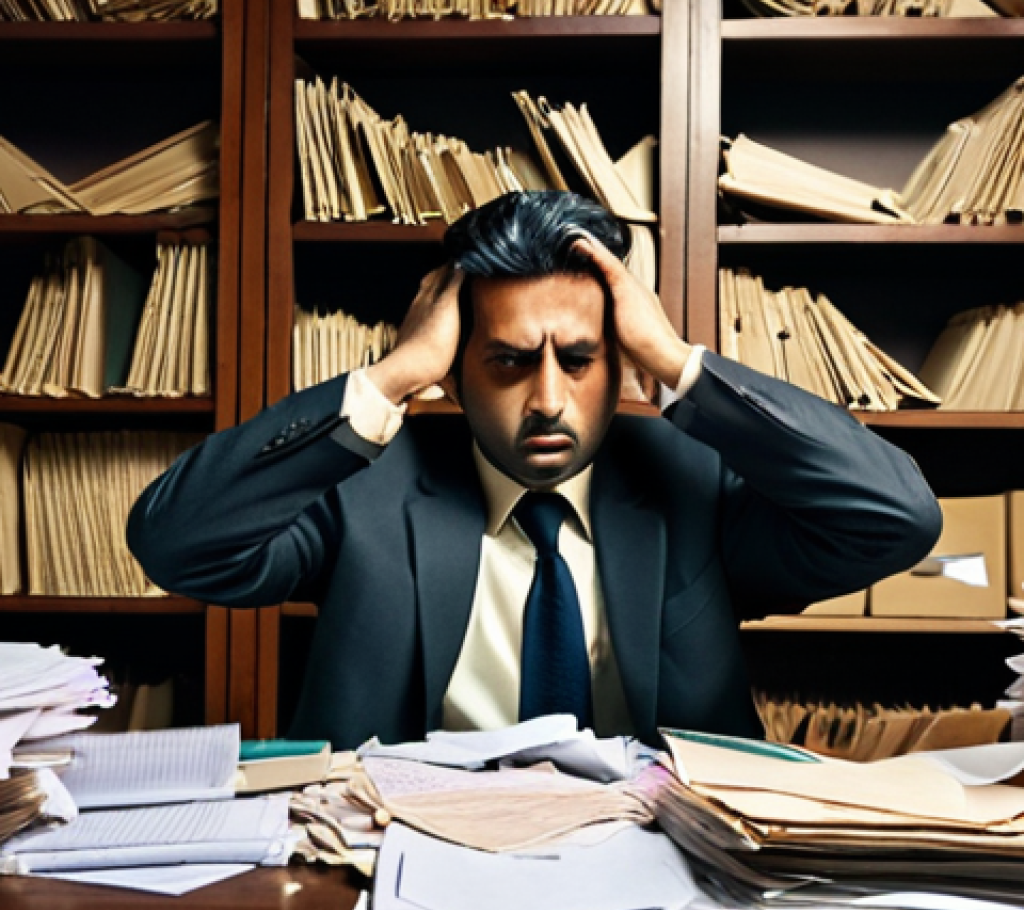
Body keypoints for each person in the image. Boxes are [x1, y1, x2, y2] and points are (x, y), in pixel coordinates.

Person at [127, 192, 941, 750]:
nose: (548, 398)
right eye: (511, 361)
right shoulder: (364, 491)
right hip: (404, 874)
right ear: (454, 370)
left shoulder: (693, 486)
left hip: (663, 872)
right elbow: (177, 544)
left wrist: (674, 362)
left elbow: (897, 518)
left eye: (580, 359)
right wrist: (388, 377)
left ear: (617, 360)